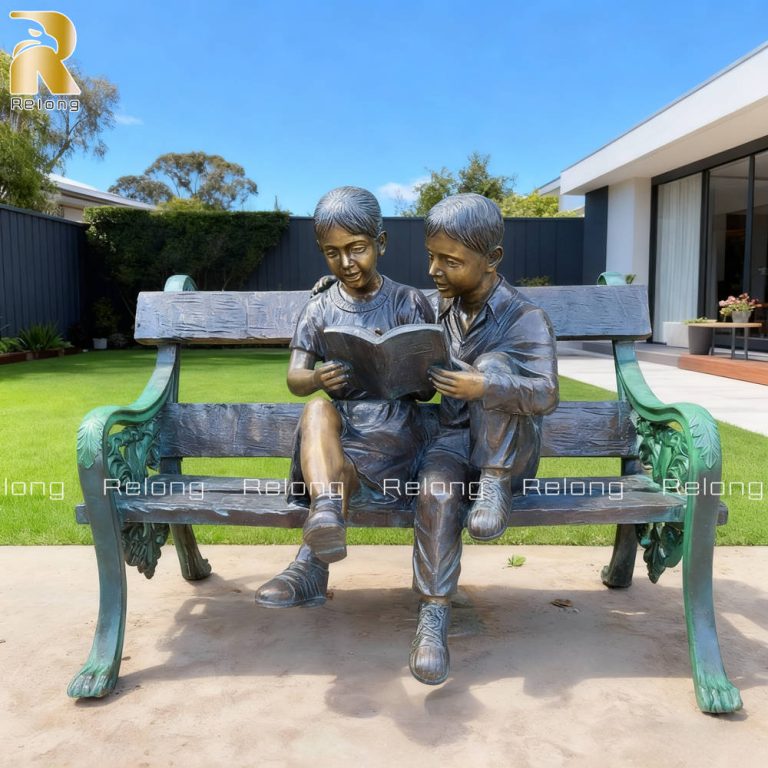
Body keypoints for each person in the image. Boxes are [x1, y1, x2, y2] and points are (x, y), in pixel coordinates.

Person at [255, 186, 434, 607]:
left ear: (381, 243)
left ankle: (309, 565)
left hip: (395, 432)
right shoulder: (319, 308)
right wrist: (318, 378)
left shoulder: (409, 301)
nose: (346, 263)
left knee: (337, 474)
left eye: (357, 249)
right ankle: (326, 520)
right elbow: (295, 378)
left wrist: (409, 372)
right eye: (332, 253)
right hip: (340, 433)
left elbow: (428, 388)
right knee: (316, 409)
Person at [409, 193, 559, 685]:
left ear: (491, 259)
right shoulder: (434, 308)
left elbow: (546, 393)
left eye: (450, 261)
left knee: (493, 366)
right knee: (434, 489)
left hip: (512, 452)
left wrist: (486, 385)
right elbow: (378, 303)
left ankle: (492, 483)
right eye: (431, 256)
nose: (434, 269)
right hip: (453, 439)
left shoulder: (525, 317)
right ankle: (433, 618)